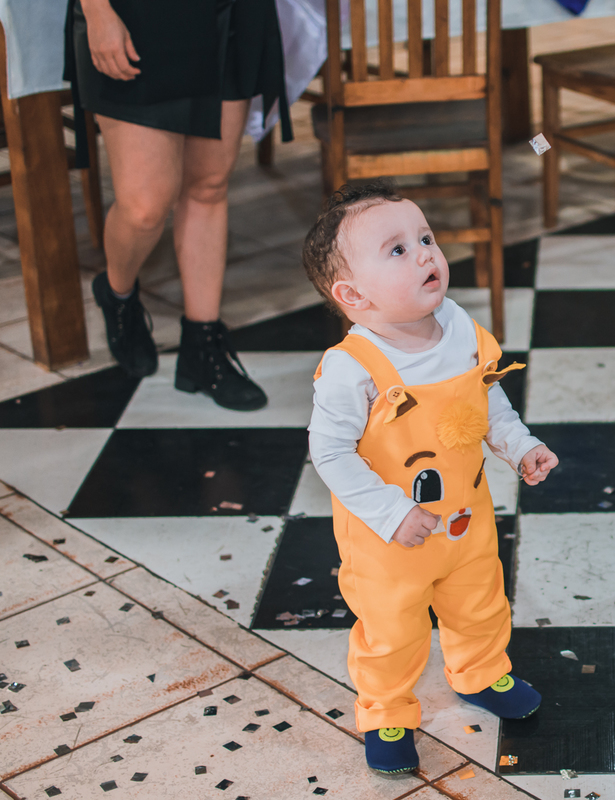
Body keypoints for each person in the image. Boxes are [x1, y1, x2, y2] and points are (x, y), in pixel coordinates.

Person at [302, 183, 559, 774]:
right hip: (387, 538)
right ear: (351, 295)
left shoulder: (459, 327)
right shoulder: (351, 368)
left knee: (480, 601)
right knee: (392, 627)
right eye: (396, 250)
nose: (425, 254)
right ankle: (387, 708)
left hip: (466, 517)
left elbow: (485, 403)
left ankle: (480, 672)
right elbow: (331, 454)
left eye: (425, 238)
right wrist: (392, 513)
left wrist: (520, 446)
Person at [65, 0, 293, 410]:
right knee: (144, 206)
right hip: (135, 16)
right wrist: (98, 12)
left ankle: (201, 348)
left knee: (208, 186)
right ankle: (117, 294)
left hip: (227, 14)